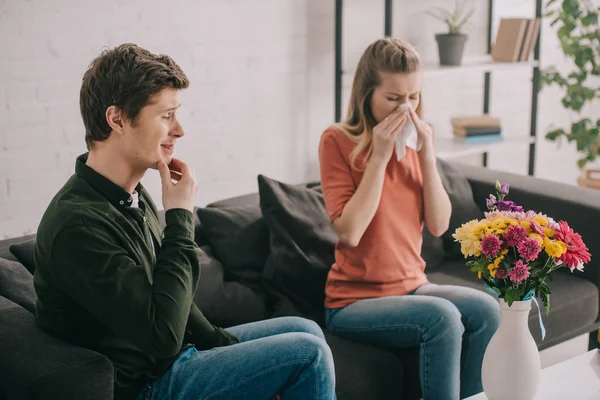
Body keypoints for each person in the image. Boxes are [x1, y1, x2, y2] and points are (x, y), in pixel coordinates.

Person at [33, 43, 336, 400]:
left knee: (305, 329)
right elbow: (162, 337)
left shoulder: (130, 194)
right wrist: (179, 217)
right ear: (116, 119)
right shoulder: (77, 227)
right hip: (148, 383)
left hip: (173, 359)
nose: (179, 130)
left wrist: (225, 347)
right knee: (308, 355)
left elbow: (167, 295)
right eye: (166, 116)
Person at [318, 37, 500, 400]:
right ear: (366, 94)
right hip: (352, 302)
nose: (406, 108)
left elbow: (439, 225)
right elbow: (350, 231)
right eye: (393, 98)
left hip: (413, 285)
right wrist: (380, 156)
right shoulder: (336, 140)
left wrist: (428, 155)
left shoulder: (414, 146)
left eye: (413, 97)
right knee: (443, 318)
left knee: (487, 309)